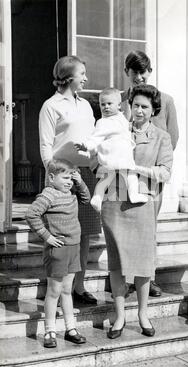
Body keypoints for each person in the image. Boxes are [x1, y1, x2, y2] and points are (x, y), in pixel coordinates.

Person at [101, 84, 173, 339]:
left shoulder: (161, 137)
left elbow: (165, 172)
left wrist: (136, 169)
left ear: (153, 110)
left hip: (142, 203)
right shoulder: (116, 129)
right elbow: (98, 159)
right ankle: (119, 316)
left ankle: (143, 314)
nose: (139, 111)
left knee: (143, 263)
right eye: (135, 105)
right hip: (113, 203)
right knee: (117, 263)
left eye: (144, 106)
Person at [39, 55, 101, 305]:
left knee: (83, 234)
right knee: (60, 232)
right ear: (68, 77)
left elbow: (93, 137)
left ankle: (79, 286)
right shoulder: (51, 106)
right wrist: (53, 177)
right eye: (82, 73)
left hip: (85, 174)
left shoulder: (86, 105)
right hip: (61, 176)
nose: (86, 78)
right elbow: (45, 146)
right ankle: (56, 287)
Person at [121, 50, 179, 297]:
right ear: (127, 73)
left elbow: (172, 136)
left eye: (143, 72)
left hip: (151, 176)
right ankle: (124, 277)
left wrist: (154, 162)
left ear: (150, 72)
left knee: (148, 228)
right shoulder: (120, 99)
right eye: (135, 72)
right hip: (122, 175)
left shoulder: (164, 100)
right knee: (123, 228)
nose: (139, 77)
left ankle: (148, 277)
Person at [25, 159, 89, 348]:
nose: (69, 182)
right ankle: (49, 331)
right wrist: (46, 236)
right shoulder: (49, 195)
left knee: (67, 290)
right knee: (54, 292)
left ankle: (71, 329)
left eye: (71, 178)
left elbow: (86, 198)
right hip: (58, 250)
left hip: (74, 248)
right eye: (65, 177)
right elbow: (31, 214)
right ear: (52, 178)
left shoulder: (71, 192)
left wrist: (80, 182)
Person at [74, 87, 148, 212]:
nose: (106, 107)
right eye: (103, 104)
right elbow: (95, 138)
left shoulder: (121, 118)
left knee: (107, 179)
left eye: (109, 104)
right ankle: (132, 194)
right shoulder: (103, 122)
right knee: (130, 175)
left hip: (116, 157)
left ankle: (97, 197)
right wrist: (86, 146)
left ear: (119, 105)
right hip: (118, 157)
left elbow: (127, 118)